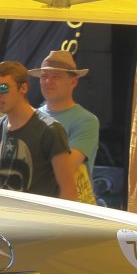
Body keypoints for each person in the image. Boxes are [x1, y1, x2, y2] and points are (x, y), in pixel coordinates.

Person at [0, 61, 76, 200]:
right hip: (5, 210)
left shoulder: (50, 130)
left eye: (2, 88)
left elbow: (69, 191)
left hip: (39, 212)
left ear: (23, 88)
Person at [32, 50, 99, 204]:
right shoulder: (31, 117)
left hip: (72, 208)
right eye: (44, 76)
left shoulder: (86, 120)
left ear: (73, 82)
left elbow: (65, 166)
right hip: (39, 204)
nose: (48, 81)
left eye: (56, 77)